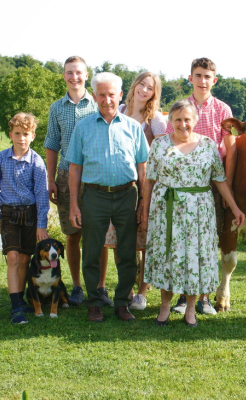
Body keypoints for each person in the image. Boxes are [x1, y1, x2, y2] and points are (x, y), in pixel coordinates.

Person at [142, 100, 244, 327]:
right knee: (168, 256)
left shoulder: (208, 145)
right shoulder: (159, 145)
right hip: (166, 211)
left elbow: (219, 180)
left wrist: (235, 208)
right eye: (177, 119)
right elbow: (148, 181)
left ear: (195, 121)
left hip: (199, 213)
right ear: (170, 121)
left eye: (187, 119)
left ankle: (190, 309)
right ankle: (165, 306)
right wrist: (145, 210)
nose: (183, 124)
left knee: (194, 258)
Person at [66, 72, 149, 322]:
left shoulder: (134, 128)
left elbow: (143, 166)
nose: (107, 99)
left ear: (120, 95)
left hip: (128, 194)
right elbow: (75, 168)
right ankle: (95, 303)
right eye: (101, 94)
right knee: (91, 251)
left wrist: (144, 202)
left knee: (127, 253)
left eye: (111, 94)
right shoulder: (83, 128)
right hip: (94, 195)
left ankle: (122, 303)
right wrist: (73, 205)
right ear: (94, 96)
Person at [166, 58, 236, 316]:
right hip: (183, 182)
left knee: (208, 240)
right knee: (183, 239)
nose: (203, 80)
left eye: (207, 76)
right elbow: (170, 142)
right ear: (190, 78)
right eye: (198, 75)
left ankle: (205, 296)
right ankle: (184, 296)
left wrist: (226, 185)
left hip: (213, 181)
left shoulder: (223, 110)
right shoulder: (181, 108)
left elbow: (230, 150)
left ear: (214, 80)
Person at [43, 56, 109, 307]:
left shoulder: (98, 104)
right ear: (63, 75)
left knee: (99, 235)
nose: (74, 77)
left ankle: (101, 287)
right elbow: (51, 144)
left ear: (86, 75)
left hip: (94, 178)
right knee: (72, 234)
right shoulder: (56, 108)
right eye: (69, 73)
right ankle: (78, 286)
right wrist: (50, 179)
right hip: (64, 175)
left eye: (79, 72)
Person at [100, 71, 167, 311]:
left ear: (154, 93)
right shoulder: (118, 110)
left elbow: (162, 155)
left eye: (150, 88)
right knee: (120, 239)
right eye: (141, 84)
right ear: (134, 85)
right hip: (120, 183)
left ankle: (141, 292)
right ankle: (125, 287)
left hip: (147, 184)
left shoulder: (156, 119)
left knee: (145, 239)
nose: (144, 90)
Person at [0, 113, 50, 324]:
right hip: (8, 213)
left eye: (26, 134)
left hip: (30, 215)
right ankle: (16, 308)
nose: (21, 138)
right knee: (13, 258)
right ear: (10, 135)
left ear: (32, 136)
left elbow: (42, 196)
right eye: (17, 134)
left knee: (25, 258)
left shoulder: (37, 162)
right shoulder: (0, 159)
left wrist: (42, 224)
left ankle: (21, 298)